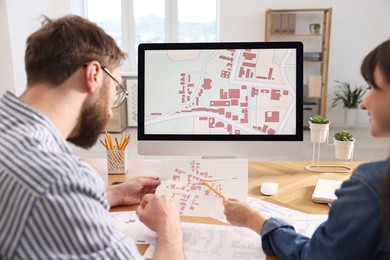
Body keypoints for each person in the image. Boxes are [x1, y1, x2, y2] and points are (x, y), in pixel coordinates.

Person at [0, 15, 184, 259]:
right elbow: (50, 189)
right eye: (116, 90)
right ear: (94, 75)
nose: (110, 110)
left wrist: (110, 195)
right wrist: (169, 230)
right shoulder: (59, 179)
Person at [223, 39, 390, 259]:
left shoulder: (373, 188)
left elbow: (313, 256)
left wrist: (254, 220)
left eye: (372, 88)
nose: (363, 103)